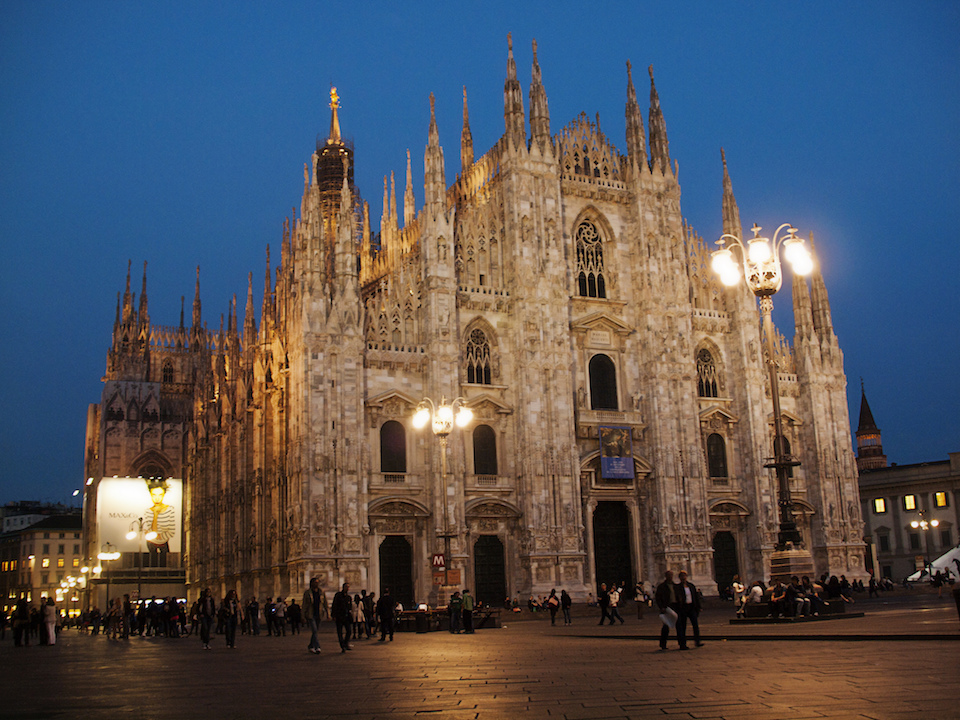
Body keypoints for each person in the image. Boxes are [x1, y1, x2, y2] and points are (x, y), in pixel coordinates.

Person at [654, 570, 680, 651]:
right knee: (666, 626)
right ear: (666, 576)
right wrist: (661, 607)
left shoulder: (675, 586)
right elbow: (658, 598)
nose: (670, 577)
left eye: (671, 575)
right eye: (669, 575)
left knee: (679, 625)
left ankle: (682, 643)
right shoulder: (661, 587)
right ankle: (663, 644)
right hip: (666, 607)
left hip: (675, 606)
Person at [676, 571, 702, 648]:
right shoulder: (678, 587)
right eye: (682, 576)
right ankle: (682, 644)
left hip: (691, 607)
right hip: (683, 608)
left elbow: (696, 597)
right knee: (683, 626)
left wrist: (699, 607)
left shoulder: (691, 586)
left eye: (684, 576)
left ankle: (697, 641)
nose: (683, 578)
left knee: (695, 625)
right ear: (679, 578)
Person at [303, 577, 324, 654]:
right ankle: (317, 647)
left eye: (317, 582)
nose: (317, 584)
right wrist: (303, 616)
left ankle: (311, 646)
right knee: (314, 630)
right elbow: (304, 605)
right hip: (311, 614)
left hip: (319, 614)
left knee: (315, 632)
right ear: (311, 583)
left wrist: (328, 614)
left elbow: (324, 603)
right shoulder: (307, 593)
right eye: (315, 582)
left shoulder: (321, 592)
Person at [331, 582, 353, 652]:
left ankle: (345, 643)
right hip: (339, 616)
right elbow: (334, 605)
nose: (347, 588)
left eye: (348, 587)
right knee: (340, 632)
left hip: (346, 617)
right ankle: (342, 645)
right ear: (343, 587)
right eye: (346, 587)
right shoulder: (338, 595)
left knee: (349, 631)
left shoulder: (348, 597)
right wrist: (333, 615)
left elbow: (350, 607)